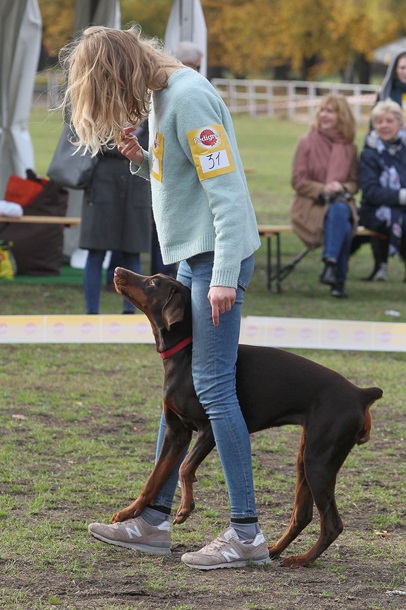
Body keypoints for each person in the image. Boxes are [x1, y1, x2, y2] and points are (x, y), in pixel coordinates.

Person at [60, 25, 269, 570]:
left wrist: (223, 273)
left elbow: (226, 191)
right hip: (193, 258)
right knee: (179, 390)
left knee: (213, 387)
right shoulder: (163, 96)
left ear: (123, 73)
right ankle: (152, 520)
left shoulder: (190, 96)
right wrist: (141, 158)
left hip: (214, 258)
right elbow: (186, 181)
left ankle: (246, 532)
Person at [80, 118, 152, 314]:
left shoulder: (152, 107)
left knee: (132, 250)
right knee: (96, 251)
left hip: (137, 181)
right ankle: (91, 312)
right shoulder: (102, 104)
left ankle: (130, 310)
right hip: (102, 181)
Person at [290, 94, 358, 298]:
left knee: (340, 210)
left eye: (331, 111)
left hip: (339, 202)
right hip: (311, 206)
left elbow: (354, 183)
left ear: (342, 116)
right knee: (343, 221)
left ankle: (330, 264)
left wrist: (342, 186)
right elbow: (298, 181)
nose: (324, 115)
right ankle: (338, 279)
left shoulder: (350, 147)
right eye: (323, 110)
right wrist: (323, 189)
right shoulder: (307, 142)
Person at [364, 50, 406, 281]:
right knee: (382, 205)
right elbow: (375, 125)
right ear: (395, 70)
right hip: (385, 154)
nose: (405, 72)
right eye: (402, 67)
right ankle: (381, 265)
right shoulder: (387, 94)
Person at [358, 100, 406, 276]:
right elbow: (371, 192)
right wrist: (402, 196)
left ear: (400, 124)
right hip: (374, 211)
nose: (384, 125)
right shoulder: (368, 154)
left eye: (389, 121)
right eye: (379, 122)